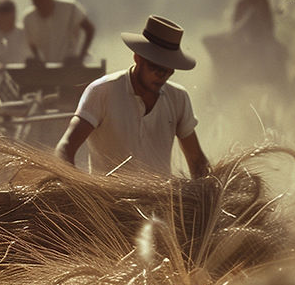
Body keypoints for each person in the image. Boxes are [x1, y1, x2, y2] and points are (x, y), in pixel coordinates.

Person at [55, 15, 210, 179]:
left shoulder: (178, 98)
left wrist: (206, 194)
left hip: (162, 201)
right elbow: (65, 148)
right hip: (110, 202)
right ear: (138, 58)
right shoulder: (102, 91)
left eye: (168, 70)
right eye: (155, 67)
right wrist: (75, 188)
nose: (161, 75)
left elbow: (197, 161)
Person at [22, 0, 95, 64]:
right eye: (36, 1)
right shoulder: (29, 18)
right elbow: (32, 45)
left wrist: (81, 56)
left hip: (75, 64)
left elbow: (90, 29)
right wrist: (38, 60)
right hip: (50, 67)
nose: (41, 4)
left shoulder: (69, 7)